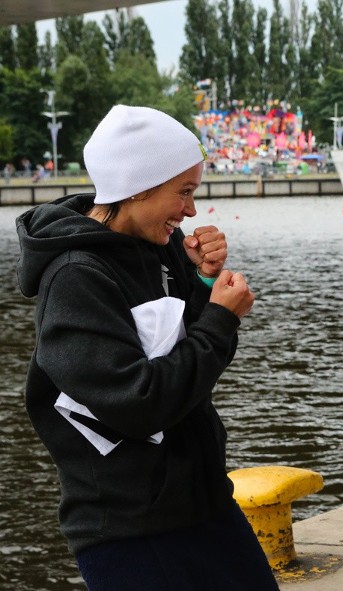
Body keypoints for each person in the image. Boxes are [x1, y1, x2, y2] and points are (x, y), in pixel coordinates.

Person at [15, 105, 278, 591]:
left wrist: (200, 284)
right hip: (127, 528)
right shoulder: (76, 277)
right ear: (137, 187)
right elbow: (139, 403)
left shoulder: (159, 250)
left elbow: (185, 367)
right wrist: (220, 318)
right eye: (184, 191)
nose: (192, 210)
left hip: (202, 504)